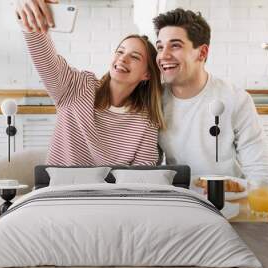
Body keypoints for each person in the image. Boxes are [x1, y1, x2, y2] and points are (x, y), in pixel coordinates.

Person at [15, 0, 165, 166]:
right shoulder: (77, 87)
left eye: (135, 56)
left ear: (147, 74)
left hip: (112, 193)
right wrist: (29, 16)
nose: (123, 58)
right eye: (120, 51)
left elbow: (142, 180)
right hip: (58, 190)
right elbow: (44, 56)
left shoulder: (146, 122)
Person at [153, 8, 268, 184]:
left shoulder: (235, 99)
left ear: (202, 53)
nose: (163, 55)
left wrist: (257, 208)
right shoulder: (154, 100)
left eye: (175, 45)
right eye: (160, 47)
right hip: (181, 198)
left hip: (229, 200)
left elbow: (261, 172)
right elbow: (148, 167)